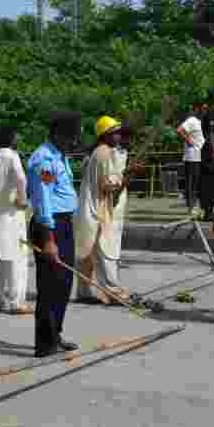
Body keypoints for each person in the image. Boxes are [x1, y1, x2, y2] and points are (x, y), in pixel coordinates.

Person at [28, 111, 81, 357]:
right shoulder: (44, 160)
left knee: (64, 283)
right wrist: (49, 240)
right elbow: (43, 201)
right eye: (71, 139)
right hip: (49, 227)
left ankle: (55, 334)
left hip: (63, 225)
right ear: (58, 135)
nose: (74, 144)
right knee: (50, 286)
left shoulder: (59, 156)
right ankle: (45, 344)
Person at [75, 115, 132, 304]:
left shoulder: (95, 153)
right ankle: (113, 292)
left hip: (87, 207)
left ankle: (83, 291)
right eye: (115, 133)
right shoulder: (105, 153)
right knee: (104, 251)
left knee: (87, 253)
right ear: (105, 135)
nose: (118, 136)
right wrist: (126, 177)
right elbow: (108, 185)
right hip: (97, 209)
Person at [0, 125, 32, 314]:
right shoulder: (12, 156)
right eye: (17, 136)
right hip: (11, 215)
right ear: (11, 139)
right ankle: (15, 301)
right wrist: (22, 200)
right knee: (15, 258)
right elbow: (21, 179)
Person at [177, 98, 208, 217]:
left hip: (202, 156)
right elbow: (180, 130)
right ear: (197, 108)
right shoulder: (192, 120)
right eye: (203, 108)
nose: (205, 110)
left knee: (199, 183)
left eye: (206, 108)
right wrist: (189, 140)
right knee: (191, 183)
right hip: (192, 156)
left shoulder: (203, 121)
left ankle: (199, 206)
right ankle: (190, 208)